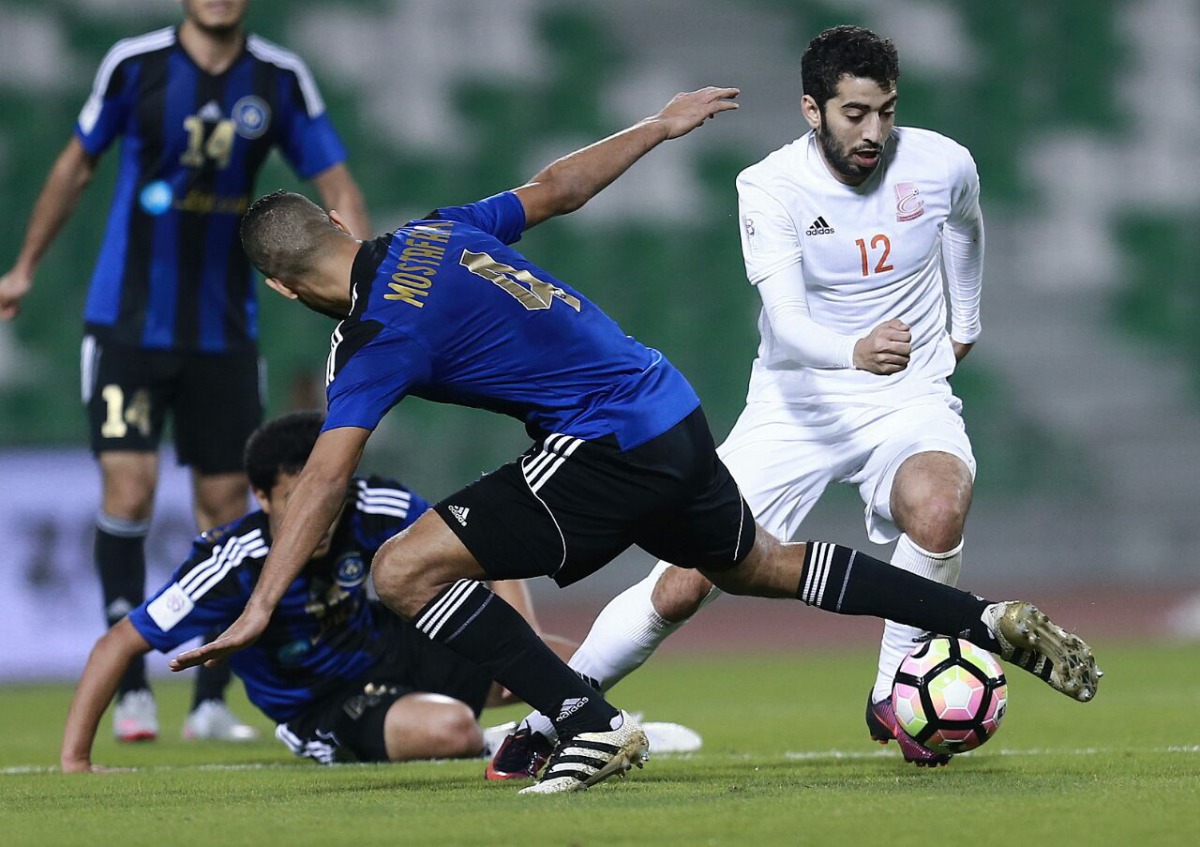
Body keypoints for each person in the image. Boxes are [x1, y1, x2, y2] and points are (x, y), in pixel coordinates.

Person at [170, 86, 1100, 795]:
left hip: (602, 439)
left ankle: (585, 718)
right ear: (338, 224)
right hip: (669, 404)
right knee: (758, 564)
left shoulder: (375, 337)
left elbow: (328, 473)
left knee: (402, 572)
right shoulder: (433, 232)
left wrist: (259, 605)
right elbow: (554, 188)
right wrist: (654, 126)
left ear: (284, 291)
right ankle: (981, 619)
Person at [494, 24, 994, 772]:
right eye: (854, 113)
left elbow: (966, 227)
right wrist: (853, 350)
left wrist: (965, 321)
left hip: (906, 397)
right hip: (795, 408)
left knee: (941, 500)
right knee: (682, 586)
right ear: (810, 109)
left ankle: (896, 685)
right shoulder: (768, 186)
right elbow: (789, 325)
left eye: (886, 111)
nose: (874, 131)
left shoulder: (943, 162)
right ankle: (551, 716)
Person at [0, 0, 370, 742]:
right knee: (129, 487)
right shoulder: (134, 67)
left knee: (226, 498)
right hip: (127, 327)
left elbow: (338, 187)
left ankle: (208, 697)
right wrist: (25, 267)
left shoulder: (279, 79)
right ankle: (132, 687)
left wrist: (361, 278)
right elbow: (76, 166)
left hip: (224, 333)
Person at [61, 410, 556, 772]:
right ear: (259, 496)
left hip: (393, 648)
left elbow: (476, 544)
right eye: (296, 502)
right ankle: (514, 740)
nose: (315, 519)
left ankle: (579, 728)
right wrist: (76, 760)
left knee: (568, 667)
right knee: (450, 732)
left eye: (327, 500)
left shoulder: (372, 503)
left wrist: (524, 637)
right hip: (323, 703)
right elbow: (118, 643)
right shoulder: (232, 560)